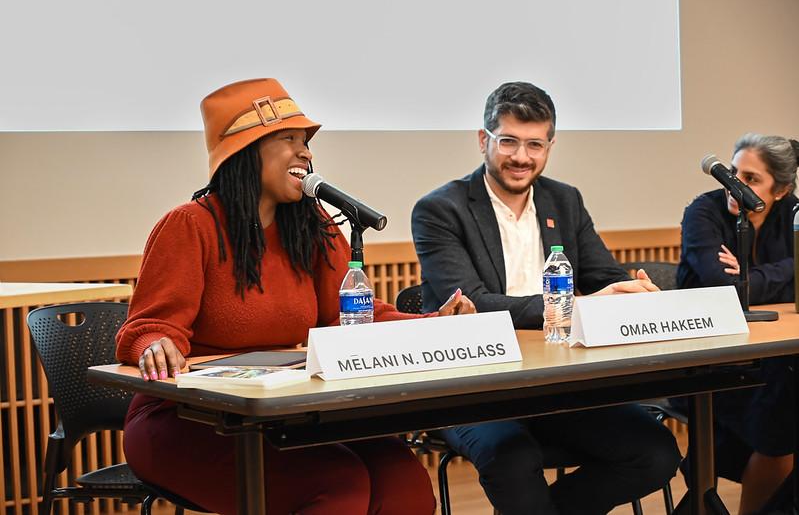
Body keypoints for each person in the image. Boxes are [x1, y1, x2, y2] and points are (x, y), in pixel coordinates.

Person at [115, 78, 475, 515]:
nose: (306, 151)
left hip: (288, 413)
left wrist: (436, 324)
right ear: (246, 152)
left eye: (305, 141)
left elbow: (356, 316)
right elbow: (149, 327)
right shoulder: (190, 225)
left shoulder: (313, 225)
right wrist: (155, 343)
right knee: (338, 487)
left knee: (405, 486)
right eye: (289, 139)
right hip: (185, 420)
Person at [411, 81, 681, 515]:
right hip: (475, 388)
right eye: (509, 142)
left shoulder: (564, 199)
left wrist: (630, 292)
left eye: (535, 144)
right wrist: (581, 305)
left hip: (561, 383)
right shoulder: (441, 209)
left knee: (655, 453)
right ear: (484, 140)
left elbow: (604, 276)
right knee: (514, 458)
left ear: (550, 146)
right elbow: (474, 301)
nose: (522, 157)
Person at [677, 133, 799, 514]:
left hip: (771, 357)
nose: (734, 186)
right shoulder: (704, 211)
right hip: (707, 364)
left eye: (750, 179)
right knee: (784, 411)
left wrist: (753, 274)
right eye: (732, 173)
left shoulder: (792, 212)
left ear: (780, 191)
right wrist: (783, 272)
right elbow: (722, 287)